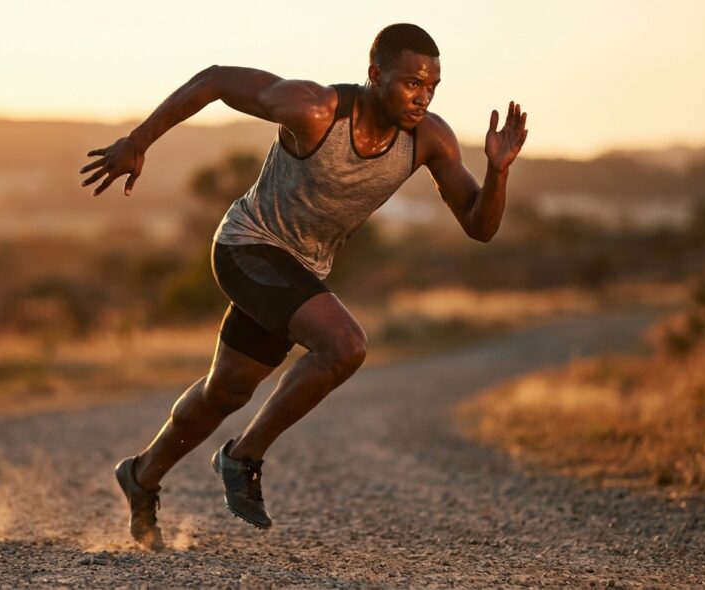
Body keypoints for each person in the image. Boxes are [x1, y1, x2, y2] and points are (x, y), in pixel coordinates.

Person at [79, 23, 528, 550]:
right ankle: (241, 457)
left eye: (431, 88)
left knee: (226, 390)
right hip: (247, 247)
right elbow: (217, 79)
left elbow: (480, 226)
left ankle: (141, 475)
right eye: (411, 84)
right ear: (375, 74)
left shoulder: (429, 138)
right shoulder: (314, 109)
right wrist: (138, 141)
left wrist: (497, 173)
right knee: (345, 345)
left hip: (302, 270)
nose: (421, 98)